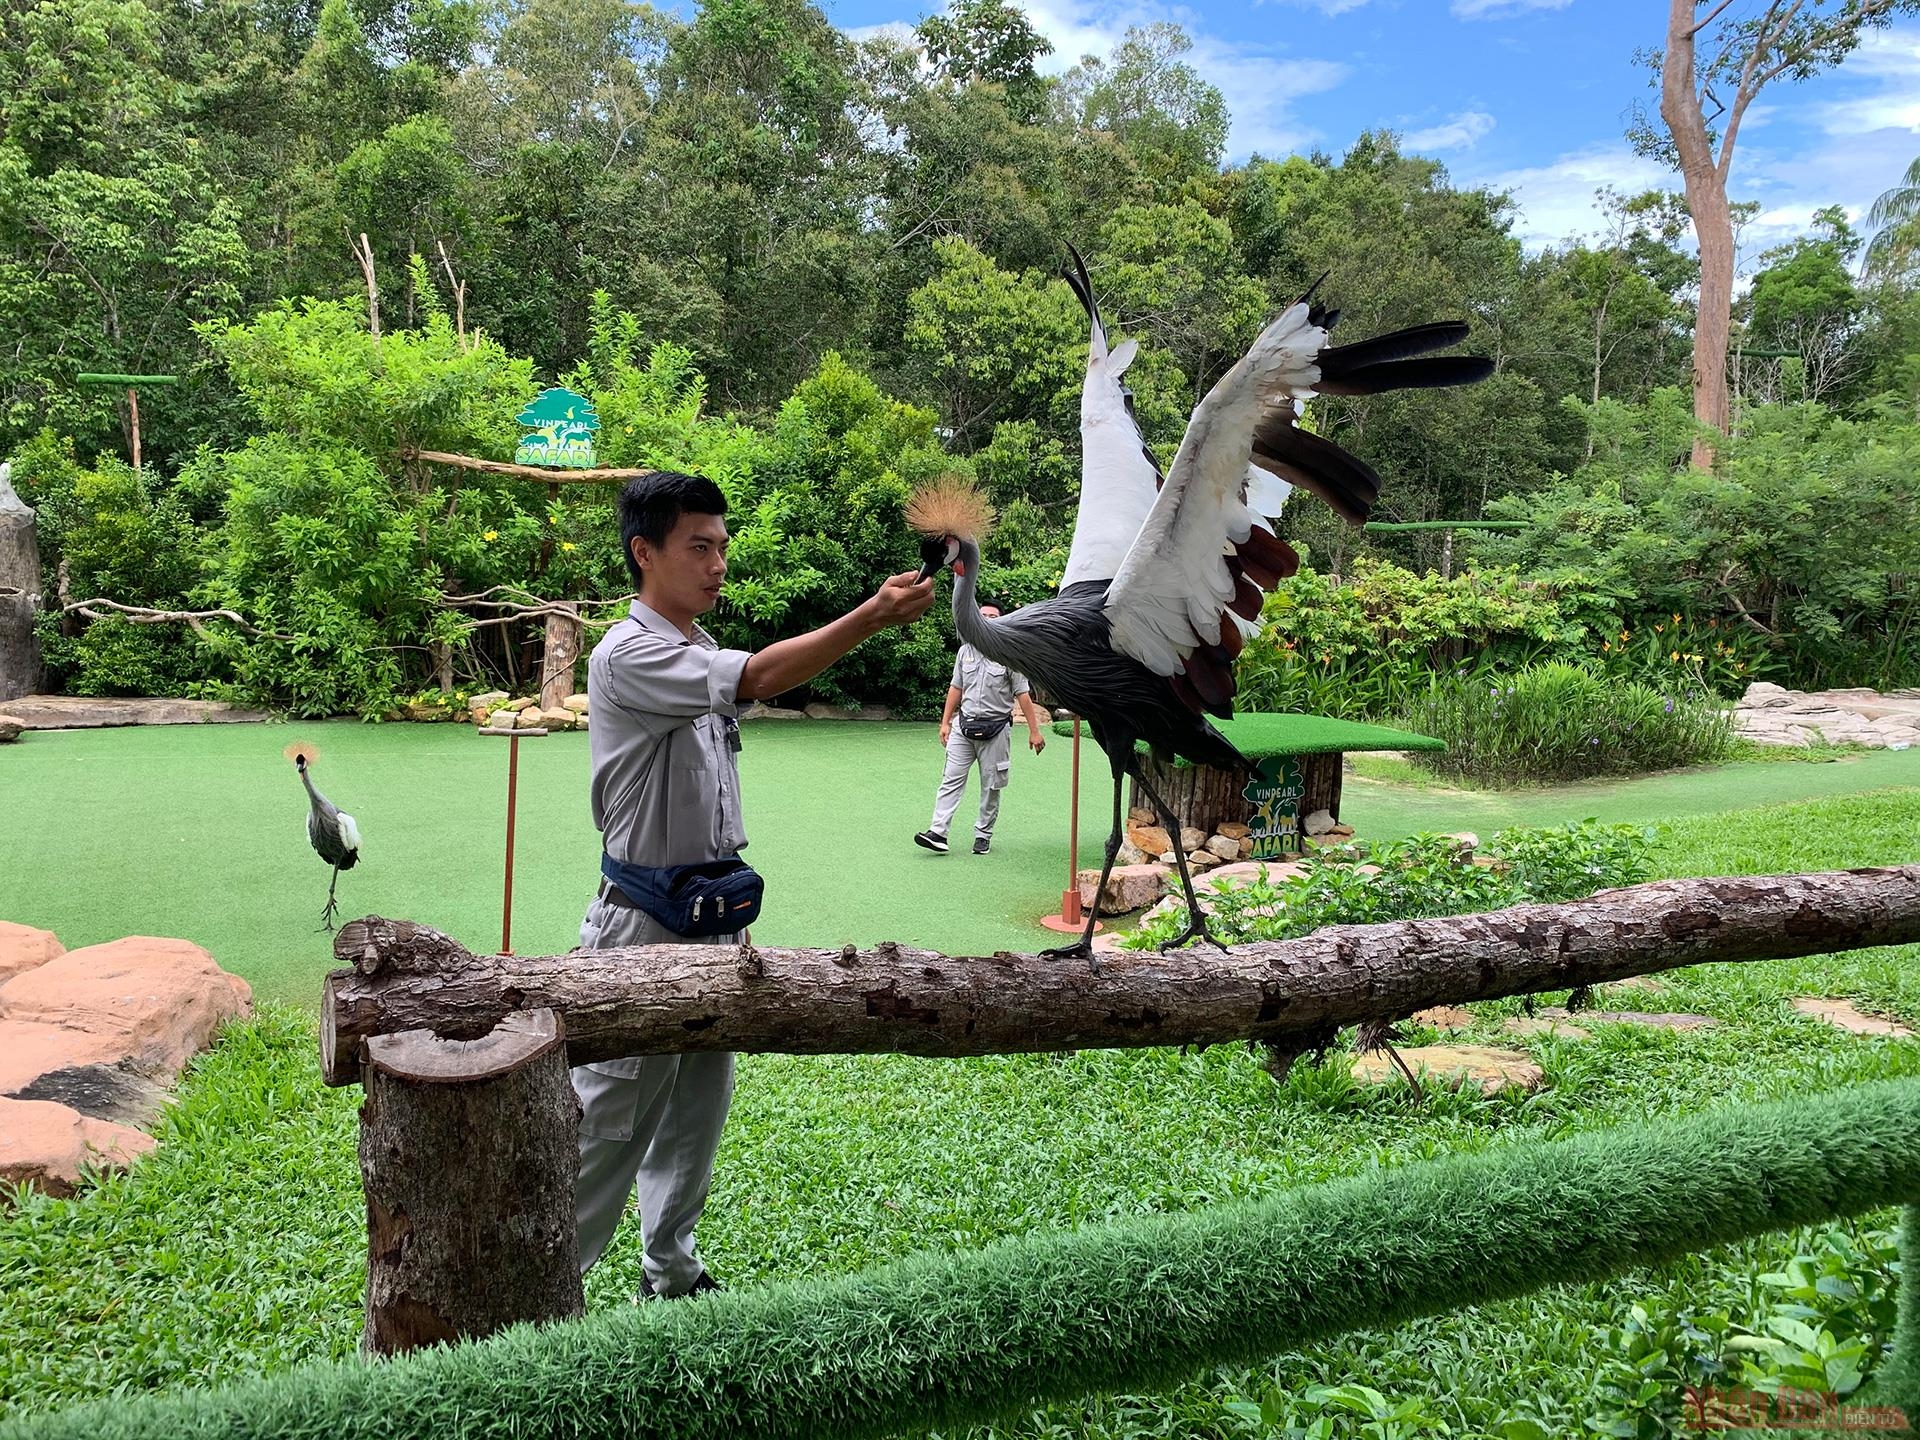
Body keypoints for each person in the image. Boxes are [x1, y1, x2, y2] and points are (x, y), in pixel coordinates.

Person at [575, 470, 934, 1300]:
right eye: (698, 546)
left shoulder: (695, 648)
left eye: (722, 546)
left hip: (713, 923)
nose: (718, 563)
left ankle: (670, 1274)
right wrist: (872, 615)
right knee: (610, 1124)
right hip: (642, 932)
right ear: (644, 552)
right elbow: (765, 678)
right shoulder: (629, 654)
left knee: (694, 1117)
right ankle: (542, 1293)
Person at [914, 601, 1047, 856]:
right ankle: (938, 832)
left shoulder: (1010, 654)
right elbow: (956, 687)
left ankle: (983, 835)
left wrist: (1034, 730)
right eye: (983, 615)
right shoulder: (966, 651)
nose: (987, 619)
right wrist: (945, 722)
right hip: (963, 728)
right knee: (950, 779)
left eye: (993, 616)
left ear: (1001, 620)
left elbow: (1023, 694)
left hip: (996, 730)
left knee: (992, 786)